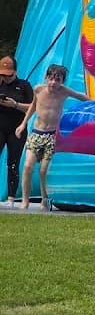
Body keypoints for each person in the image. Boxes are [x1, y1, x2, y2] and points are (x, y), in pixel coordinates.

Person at [15, 64, 90, 211]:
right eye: (51, 78)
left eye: (58, 79)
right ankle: (25, 200)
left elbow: (81, 97)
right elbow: (33, 106)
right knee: (27, 166)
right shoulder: (38, 89)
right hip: (36, 133)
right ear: (46, 77)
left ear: (62, 81)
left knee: (43, 171)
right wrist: (23, 124)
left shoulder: (64, 92)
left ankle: (44, 198)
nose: (53, 83)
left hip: (51, 135)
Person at [0, 55, 34, 205]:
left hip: (17, 129)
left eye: (9, 75)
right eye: (3, 75)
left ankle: (11, 198)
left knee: (13, 162)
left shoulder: (24, 85)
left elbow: (33, 107)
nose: (6, 78)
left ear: (15, 72)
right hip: (0, 127)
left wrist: (15, 105)